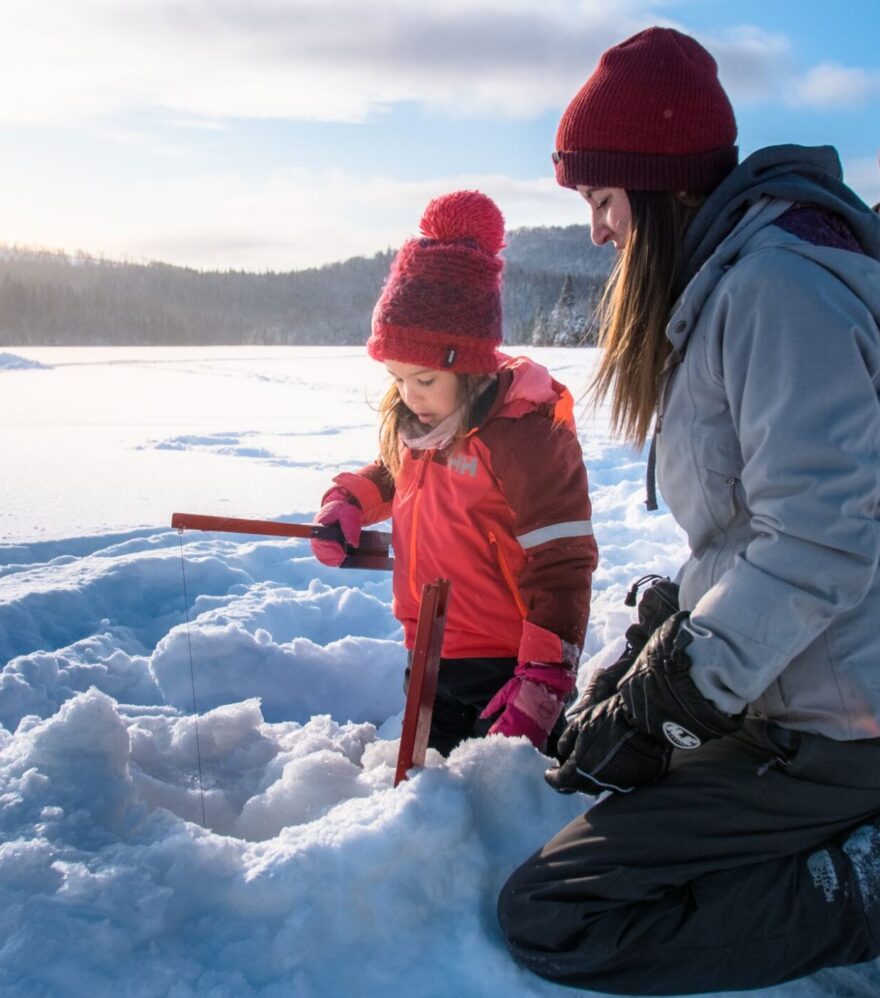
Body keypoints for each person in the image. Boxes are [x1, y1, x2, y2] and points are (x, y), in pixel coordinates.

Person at [496, 26, 880, 995]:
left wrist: (680, 693)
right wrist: (671, 629)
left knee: (560, 914)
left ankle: (865, 879)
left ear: (657, 189)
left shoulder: (773, 291)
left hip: (841, 718)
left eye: (599, 199)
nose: (595, 229)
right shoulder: (743, 283)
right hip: (796, 683)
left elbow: (826, 537)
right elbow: (768, 522)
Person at [310, 190, 598, 757]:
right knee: (428, 799)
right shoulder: (421, 425)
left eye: (423, 379)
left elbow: (563, 562)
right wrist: (348, 500)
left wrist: (543, 678)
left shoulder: (523, 437)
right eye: (397, 379)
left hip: (508, 666)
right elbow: (396, 476)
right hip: (427, 653)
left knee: (517, 801)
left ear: (467, 367)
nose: (408, 396)